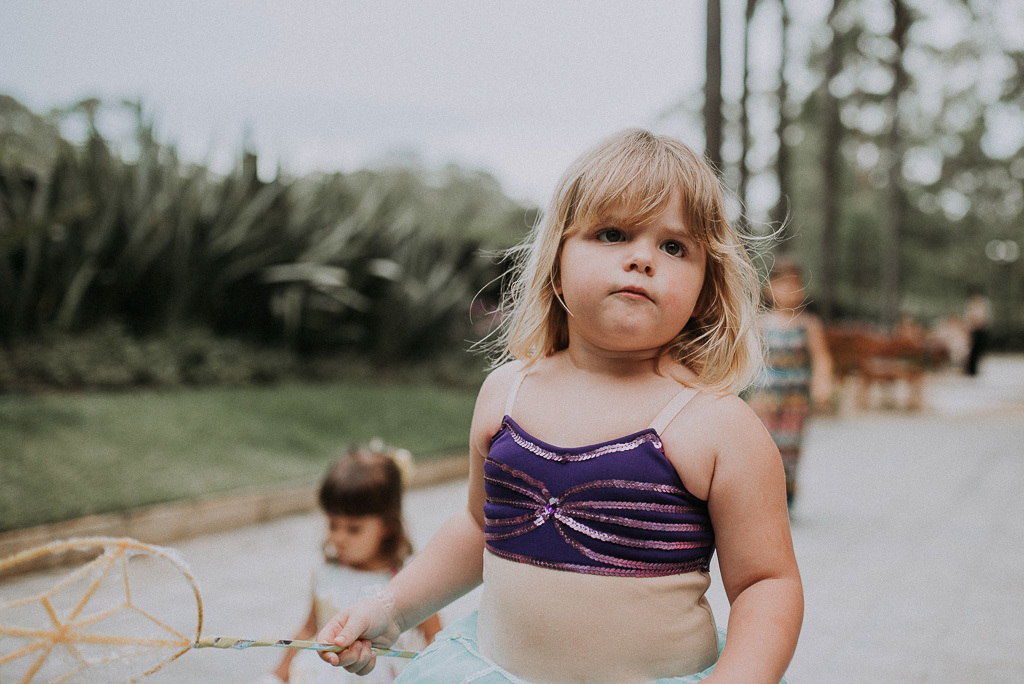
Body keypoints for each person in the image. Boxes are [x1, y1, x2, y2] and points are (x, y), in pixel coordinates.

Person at [316, 129, 803, 683]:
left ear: (704, 286)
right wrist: (390, 607)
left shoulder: (716, 426)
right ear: (556, 261)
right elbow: (479, 527)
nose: (643, 258)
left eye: (675, 246)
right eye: (613, 233)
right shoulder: (506, 394)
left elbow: (767, 583)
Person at [264, 443, 442, 683]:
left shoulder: (406, 581)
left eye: (353, 529)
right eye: (333, 525)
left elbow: (435, 639)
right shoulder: (326, 574)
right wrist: (279, 674)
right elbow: (308, 630)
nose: (338, 537)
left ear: (388, 525)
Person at [742, 258, 833, 506]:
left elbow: (821, 357)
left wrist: (822, 383)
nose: (789, 291)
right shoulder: (761, 324)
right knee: (762, 446)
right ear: (769, 289)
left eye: (794, 285)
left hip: (796, 399)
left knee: (790, 448)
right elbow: (748, 357)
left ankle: (786, 498)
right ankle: (761, 497)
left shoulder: (809, 324)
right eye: (782, 285)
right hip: (764, 397)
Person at [964, 287, 991, 376]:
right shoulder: (971, 306)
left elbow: (983, 319)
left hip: (980, 330)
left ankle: (974, 369)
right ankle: (971, 369)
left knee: (977, 351)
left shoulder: (982, 305)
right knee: (972, 351)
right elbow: (970, 318)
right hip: (973, 330)